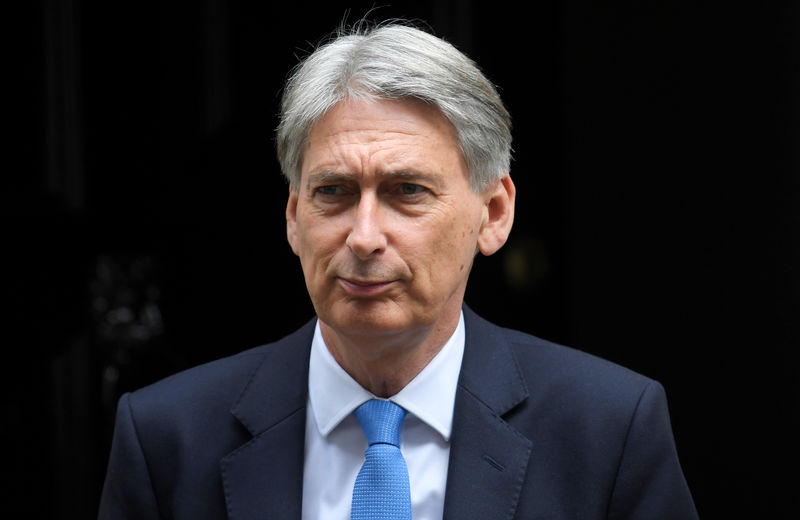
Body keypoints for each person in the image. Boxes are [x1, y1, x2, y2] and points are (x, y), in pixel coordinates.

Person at [99, 20, 698, 519]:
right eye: (332, 191)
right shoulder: (167, 439)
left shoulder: (608, 430)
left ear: (493, 213)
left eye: (407, 190)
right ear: (292, 216)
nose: (363, 237)